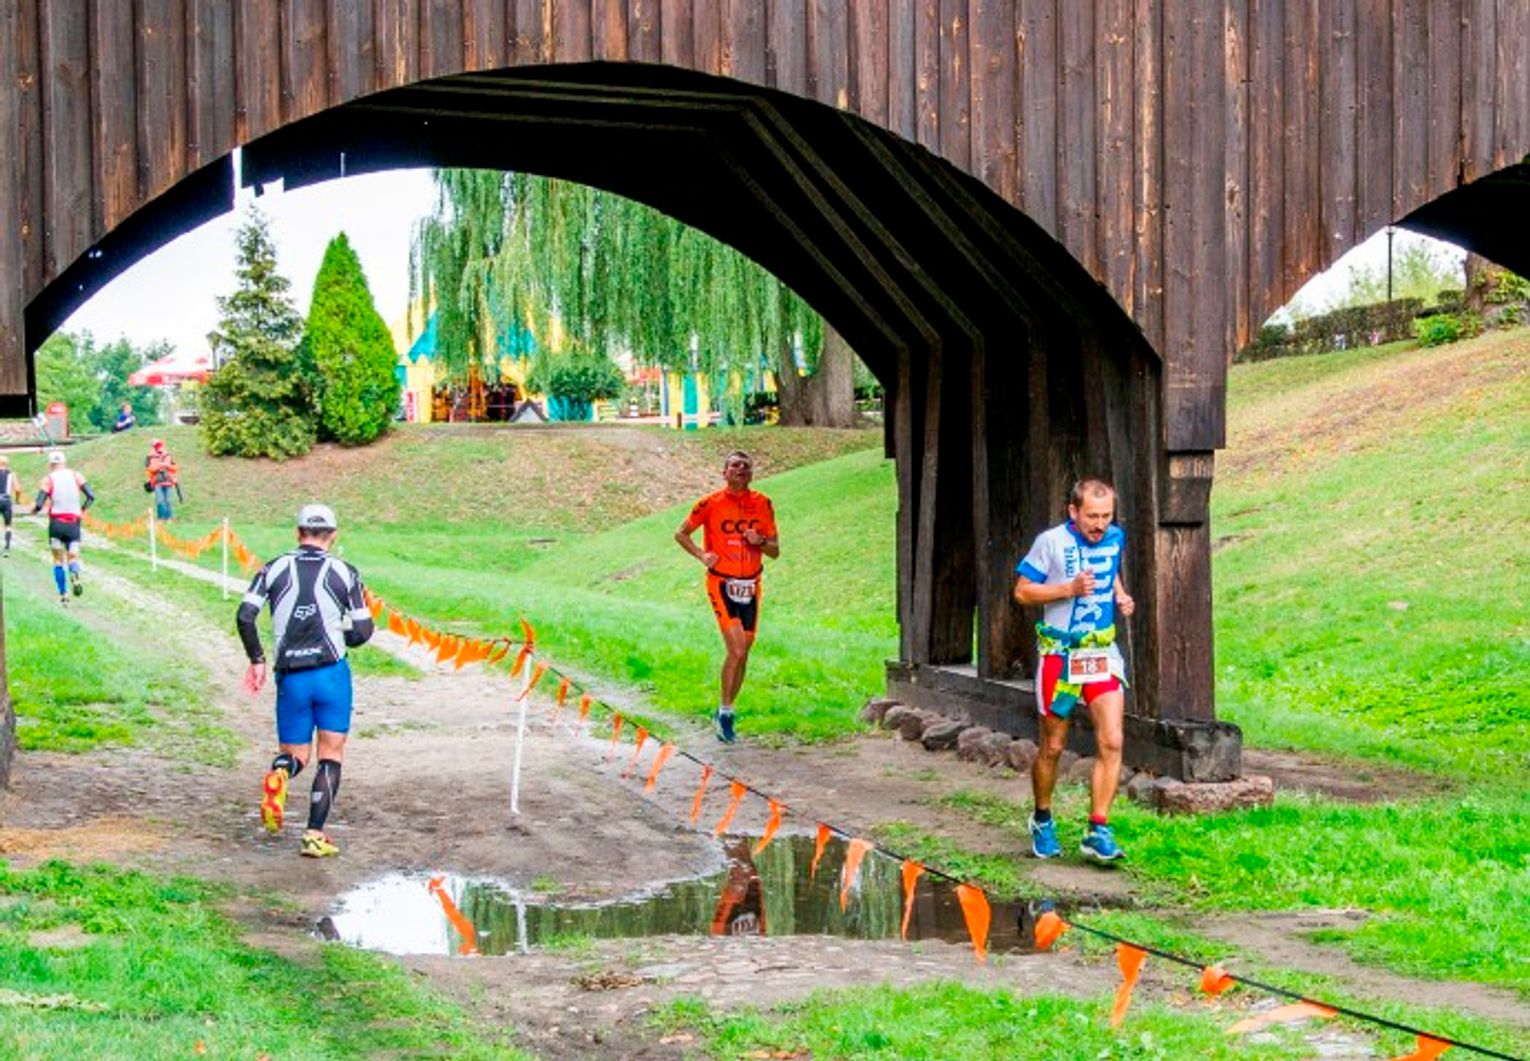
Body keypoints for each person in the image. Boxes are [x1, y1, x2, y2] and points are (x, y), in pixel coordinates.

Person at [236, 504, 374, 858]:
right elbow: (363, 630)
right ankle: (314, 836)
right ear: (333, 535)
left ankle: (281, 775)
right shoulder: (345, 572)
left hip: (291, 676)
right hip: (331, 674)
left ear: (298, 533)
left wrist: (257, 660)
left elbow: (245, 616)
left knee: (295, 754)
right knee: (331, 753)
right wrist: (342, 636)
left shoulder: (272, 568)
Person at [1012, 479, 1136, 865]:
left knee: (1112, 740)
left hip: (1100, 652)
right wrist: (1068, 589)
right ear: (1073, 511)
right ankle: (1042, 818)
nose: (1099, 525)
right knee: (1053, 746)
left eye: (1106, 516)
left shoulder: (1115, 537)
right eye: (1092, 516)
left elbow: (1109, 569)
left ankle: (1098, 830)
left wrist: (1119, 594)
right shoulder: (1050, 542)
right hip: (1060, 655)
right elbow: (1022, 591)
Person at [674, 450, 780, 743]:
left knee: (744, 652)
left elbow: (775, 551)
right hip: (721, 582)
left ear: (751, 474)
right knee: (736, 650)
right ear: (725, 472)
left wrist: (760, 541)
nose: (741, 469)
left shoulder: (763, 503)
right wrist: (701, 555)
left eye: (746, 466)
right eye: (735, 465)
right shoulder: (710, 503)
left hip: (752, 585)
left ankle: (725, 708)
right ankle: (725, 713)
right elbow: (681, 533)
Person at [31, 451, 95, 604]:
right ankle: (74, 574)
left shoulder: (48, 479)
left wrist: (33, 511)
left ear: (50, 464)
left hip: (56, 524)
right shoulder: (76, 475)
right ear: (64, 462)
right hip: (74, 522)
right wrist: (82, 509)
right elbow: (91, 496)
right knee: (73, 557)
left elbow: (39, 504)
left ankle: (63, 594)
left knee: (57, 560)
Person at [145, 438, 179, 521]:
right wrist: (159, 466)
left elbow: (174, 468)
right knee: (160, 501)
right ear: (153, 447)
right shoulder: (150, 457)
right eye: (156, 445)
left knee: (168, 501)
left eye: (159, 444)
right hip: (157, 482)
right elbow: (149, 469)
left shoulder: (168, 455)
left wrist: (167, 466)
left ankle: (169, 518)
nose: (158, 446)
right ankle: (161, 518)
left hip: (168, 481)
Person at [0, 454, 21, 557]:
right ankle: (7, 547)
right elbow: (17, 489)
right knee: (8, 525)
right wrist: (17, 500)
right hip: (6, 500)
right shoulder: (11, 474)